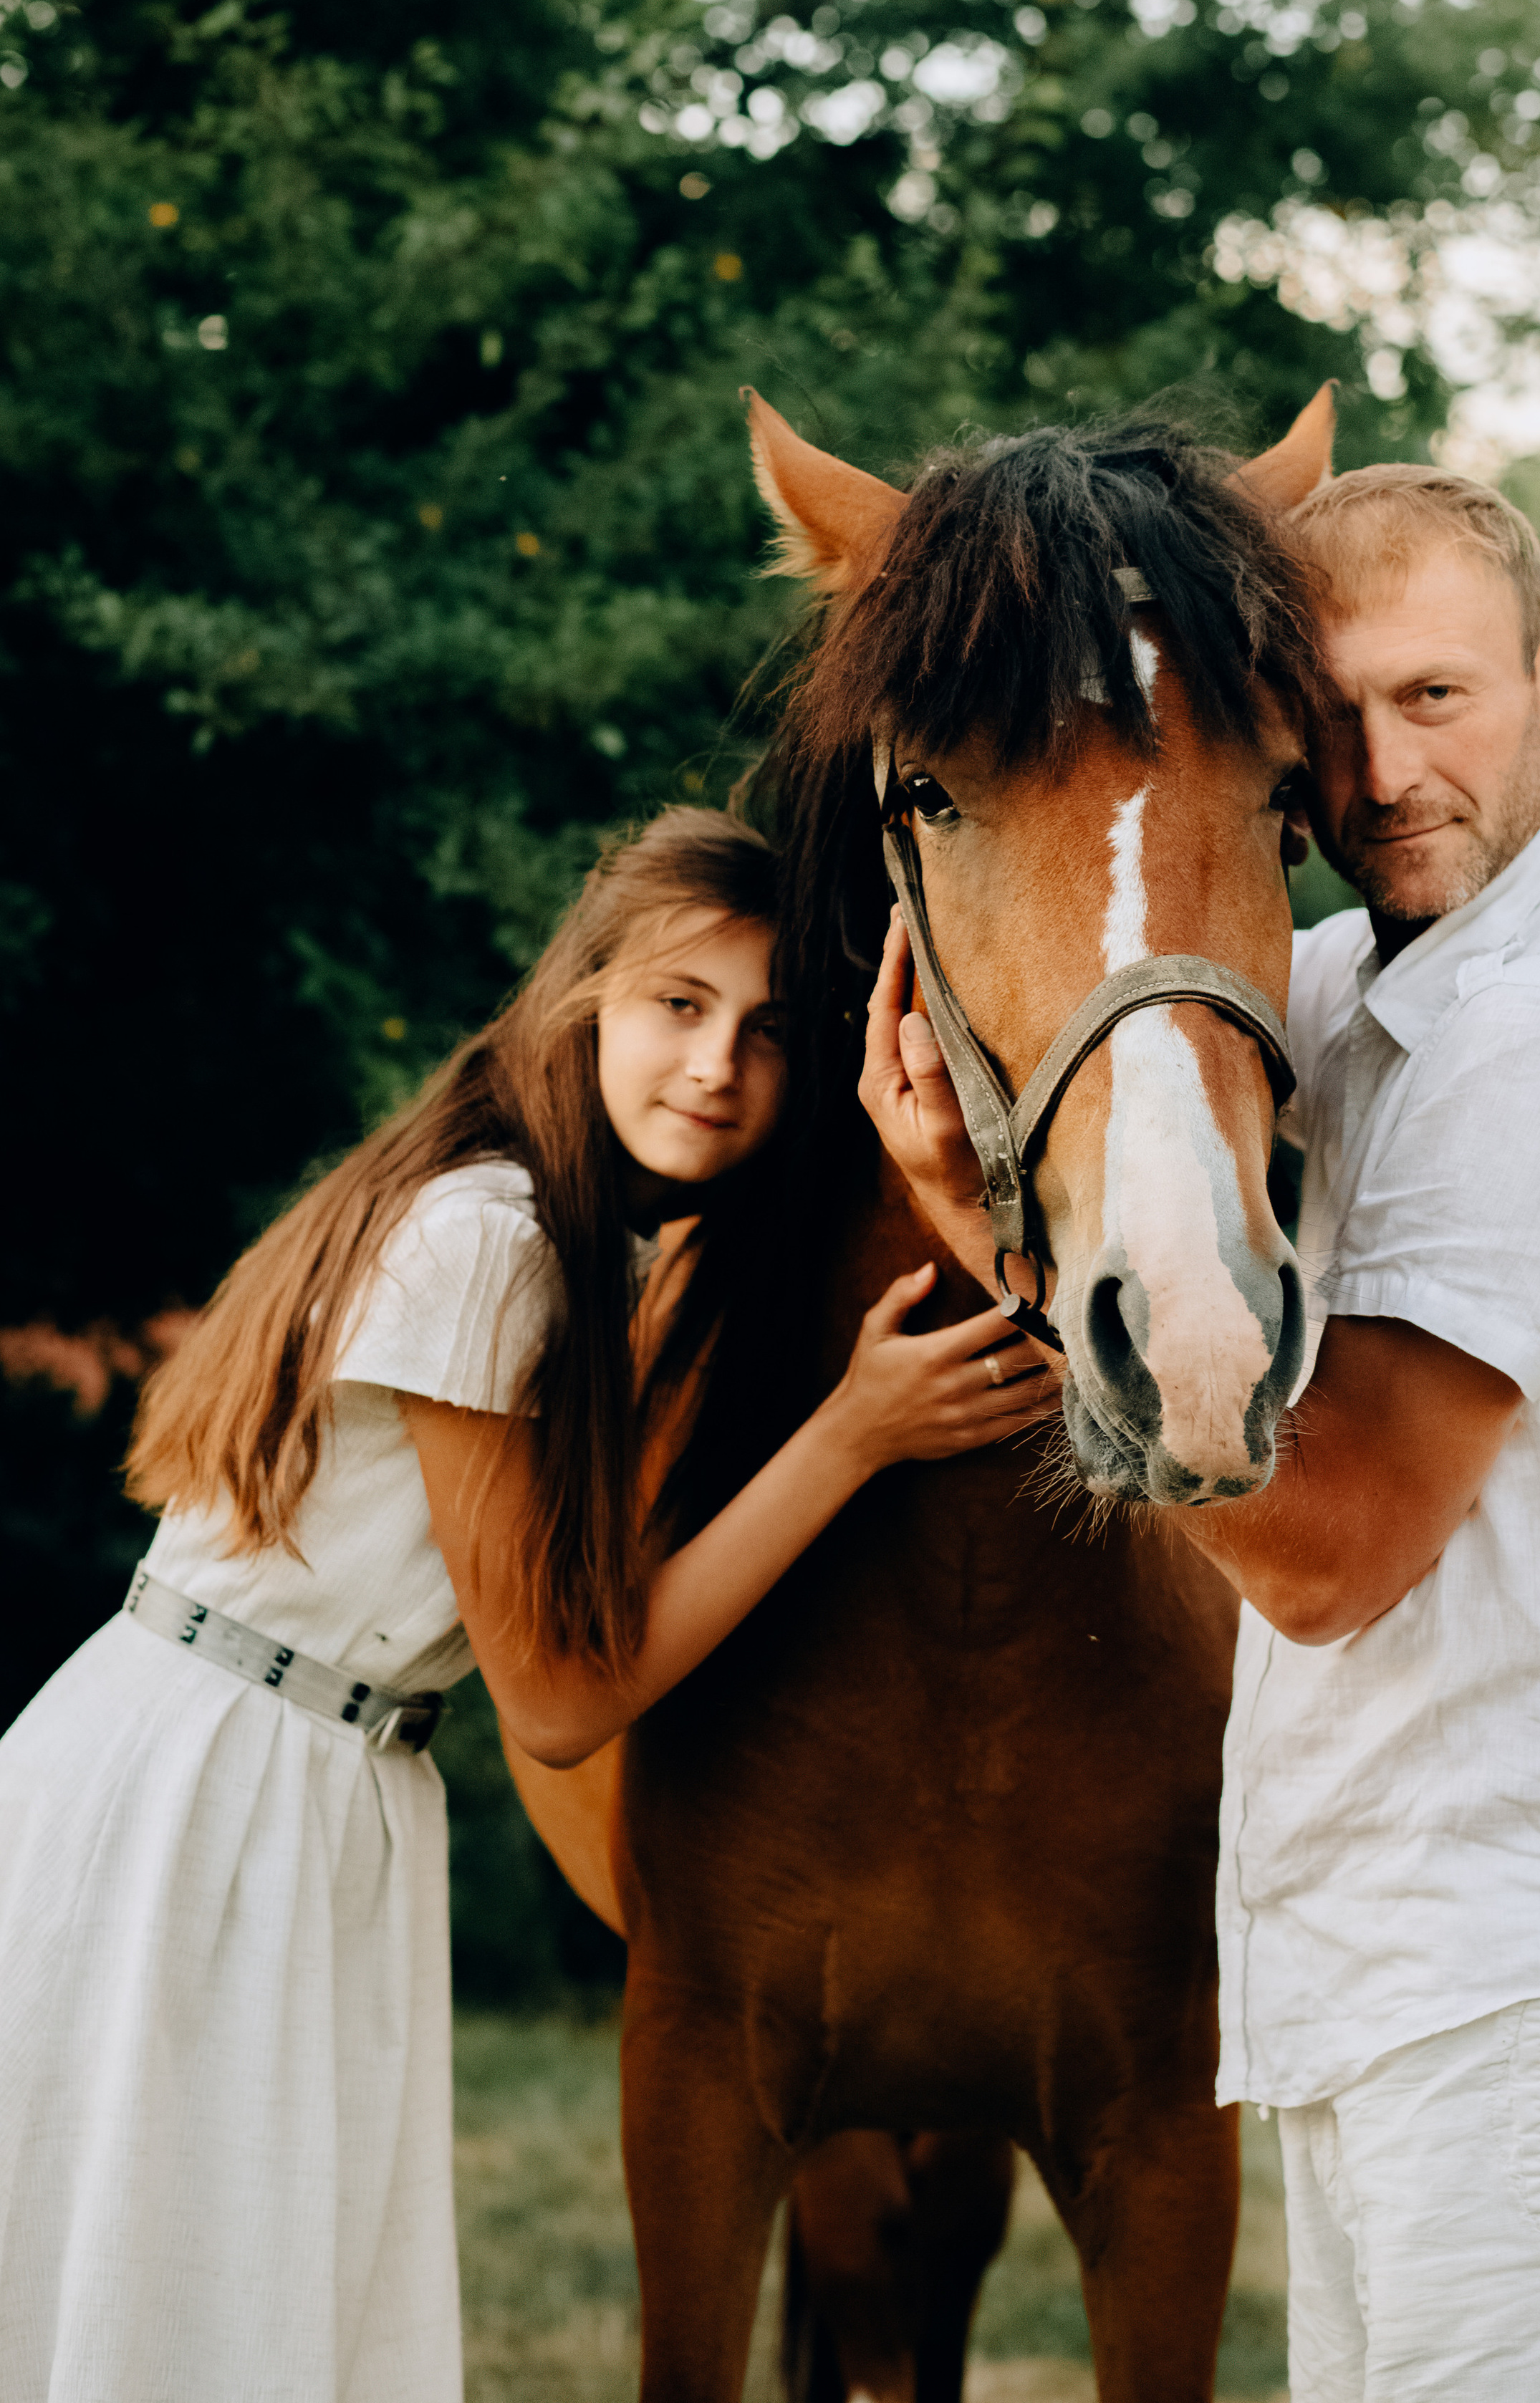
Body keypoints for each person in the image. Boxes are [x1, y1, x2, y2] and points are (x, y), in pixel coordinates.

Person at [859, 467, 1540, 2402]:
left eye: (1435, 698)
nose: (1382, 771)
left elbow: (1342, 1546)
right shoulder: (1364, 984)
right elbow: (1142, 940)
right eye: (1329, 727)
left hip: (1533, 1990)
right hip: (1393, 1978)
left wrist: (988, 1251)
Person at [0, 804, 1047, 2403]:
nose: (714, 1065)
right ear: (582, 1005)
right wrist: (853, 1433)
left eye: (768, 1033)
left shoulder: (568, 1238)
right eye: (675, 1009)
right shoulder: (490, 1242)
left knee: (239, 2302)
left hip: (306, 1773)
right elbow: (562, 1697)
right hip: (212, 1792)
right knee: (172, 2310)